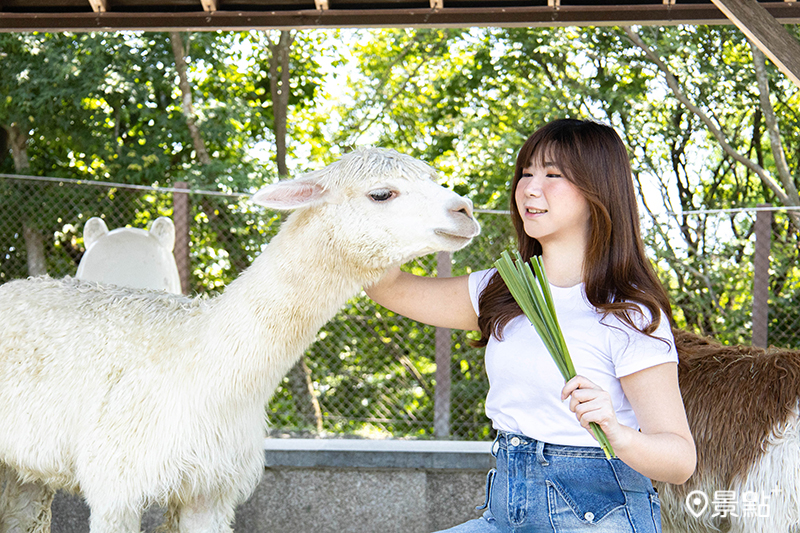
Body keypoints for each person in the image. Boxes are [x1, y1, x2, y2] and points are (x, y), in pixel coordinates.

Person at [366, 119, 696, 532]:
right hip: (505, 513)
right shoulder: (500, 291)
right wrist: (383, 204)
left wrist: (615, 431)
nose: (530, 188)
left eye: (553, 175)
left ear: (599, 190)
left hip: (596, 520)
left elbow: (680, 461)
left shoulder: (628, 313)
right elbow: (388, 286)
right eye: (526, 173)